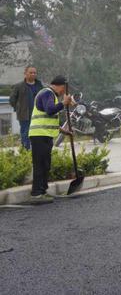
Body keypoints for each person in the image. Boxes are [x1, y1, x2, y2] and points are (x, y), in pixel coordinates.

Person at [28, 75, 73, 204]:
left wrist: (64, 131)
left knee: (45, 164)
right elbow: (49, 111)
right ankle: (36, 194)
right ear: (60, 86)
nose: (63, 92)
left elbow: (48, 119)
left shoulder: (48, 94)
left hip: (43, 135)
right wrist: (63, 103)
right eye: (63, 89)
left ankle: (42, 191)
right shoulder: (48, 93)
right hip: (40, 135)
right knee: (40, 164)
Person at [10, 66, 44, 150]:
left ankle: (36, 150)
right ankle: (25, 150)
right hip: (24, 115)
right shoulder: (18, 86)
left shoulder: (39, 85)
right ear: (25, 74)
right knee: (25, 133)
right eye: (31, 72)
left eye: (34, 73)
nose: (33, 74)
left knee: (37, 132)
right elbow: (12, 100)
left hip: (38, 114)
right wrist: (18, 108)